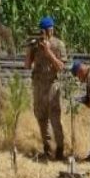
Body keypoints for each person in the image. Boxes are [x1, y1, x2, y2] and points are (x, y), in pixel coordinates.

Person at [24, 16, 66, 160]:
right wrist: (30, 49)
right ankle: (47, 149)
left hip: (52, 86)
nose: (44, 33)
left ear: (51, 30)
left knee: (55, 119)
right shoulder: (35, 45)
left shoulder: (58, 45)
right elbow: (27, 66)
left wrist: (48, 52)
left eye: (47, 30)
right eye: (42, 31)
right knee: (41, 119)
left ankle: (60, 150)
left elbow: (61, 67)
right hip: (38, 86)